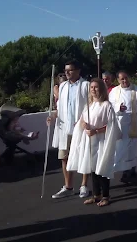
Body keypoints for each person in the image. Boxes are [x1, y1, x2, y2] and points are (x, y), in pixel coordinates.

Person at [67, 78, 121, 207]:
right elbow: (81, 120)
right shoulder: (88, 106)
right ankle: (96, 195)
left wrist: (96, 131)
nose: (93, 89)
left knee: (102, 168)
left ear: (101, 89)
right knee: (92, 169)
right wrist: (84, 124)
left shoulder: (106, 105)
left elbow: (111, 126)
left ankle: (106, 196)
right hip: (89, 141)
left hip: (101, 141)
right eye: (91, 87)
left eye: (96, 87)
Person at [48, 60, 91, 199]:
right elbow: (60, 107)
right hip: (64, 127)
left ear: (78, 71)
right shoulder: (63, 86)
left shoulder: (86, 85)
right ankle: (68, 186)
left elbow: (90, 105)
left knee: (84, 155)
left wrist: (84, 121)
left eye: (70, 70)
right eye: (66, 70)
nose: (67, 72)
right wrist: (53, 116)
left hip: (80, 126)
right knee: (64, 157)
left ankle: (84, 185)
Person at [109, 71, 137, 183]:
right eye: (122, 79)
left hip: (133, 123)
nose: (124, 81)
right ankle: (124, 172)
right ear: (118, 80)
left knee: (133, 148)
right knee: (122, 149)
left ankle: (132, 171)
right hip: (120, 125)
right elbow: (109, 105)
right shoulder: (114, 91)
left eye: (126, 78)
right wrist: (118, 107)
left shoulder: (136, 90)